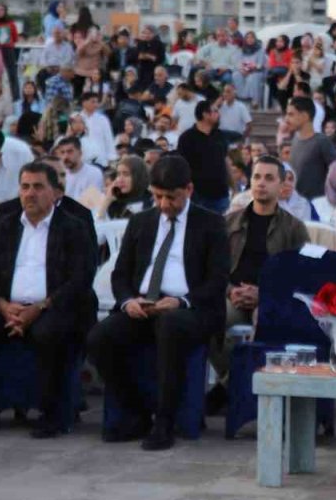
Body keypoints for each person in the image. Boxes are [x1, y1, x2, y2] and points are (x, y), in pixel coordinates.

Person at [86, 157, 230, 451]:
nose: (164, 204)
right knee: (99, 337)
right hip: (143, 305)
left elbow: (217, 280)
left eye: (171, 197)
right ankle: (136, 411)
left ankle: (165, 421)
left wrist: (181, 301)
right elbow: (120, 274)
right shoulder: (141, 222)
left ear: (188, 190)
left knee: (169, 325)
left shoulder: (211, 224)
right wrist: (128, 301)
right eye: (158, 196)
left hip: (190, 309)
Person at [0, 162, 94, 439]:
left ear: (56, 192)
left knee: (48, 334)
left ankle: (50, 413)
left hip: (53, 306)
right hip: (8, 307)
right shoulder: (6, 225)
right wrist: (3, 306)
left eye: (38, 187)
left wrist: (40, 307)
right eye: (25, 187)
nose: (30, 193)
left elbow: (80, 279)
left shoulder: (73, 227)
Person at [211, 156, 310, 412]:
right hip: (233, 296)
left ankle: (228, 388)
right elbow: (214, 268)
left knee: (266, 320)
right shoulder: (229, 223)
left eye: (269, 178)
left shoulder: (294, 228)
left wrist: (264, 294)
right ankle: (236, 382)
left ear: (281, 185)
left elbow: (300, 277)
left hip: (272, 299)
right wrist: (231, 291)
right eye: (256, 177)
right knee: (209, 317)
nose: (261, 183)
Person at [177, 100, 230, 215]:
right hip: (198, 195)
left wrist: (232, 185)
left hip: (221, 195)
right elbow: (182, 166)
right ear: (205, 114)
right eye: (215, 111)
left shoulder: (219, 135)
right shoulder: (187, 138)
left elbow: (225, 160)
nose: (218, 114)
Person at [285, 97, 336, 200]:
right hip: (296, 202)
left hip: (316, 203)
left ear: (305, 116)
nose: (286, 119)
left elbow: (335, 172)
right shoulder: (295, 140)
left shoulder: (322, 142)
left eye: (291, 114)